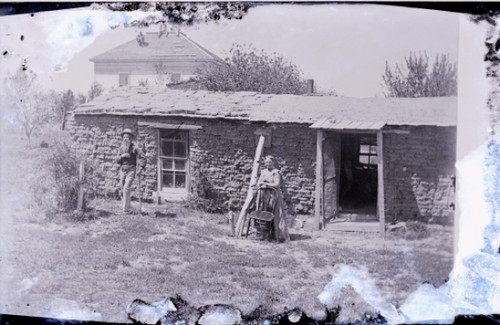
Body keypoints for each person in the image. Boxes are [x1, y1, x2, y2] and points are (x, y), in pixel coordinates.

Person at [256, 155, 290, 241]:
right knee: (264, 212)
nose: (268, 164)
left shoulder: (276, 172)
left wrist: (266, 184)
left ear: (273, 163)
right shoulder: (263, 171)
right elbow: (259, 181)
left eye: (270, 162)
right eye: (267, 162)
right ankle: (263, 233)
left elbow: (276, 184)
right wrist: (261, 183)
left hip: (273, 196)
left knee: (275, 213)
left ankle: (276, 234)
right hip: (264, 195)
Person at [116, 128, 146, 213]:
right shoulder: (121, 148)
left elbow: (142, 157)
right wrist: (122, 156)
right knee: (122, 189)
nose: (126, 139)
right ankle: (127, 206)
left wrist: (140, 168)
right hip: (122, 170)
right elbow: (117, 160)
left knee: (126, 188)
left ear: (131, 138)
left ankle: (126, 210)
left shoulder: (134, 148)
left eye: (128, 137)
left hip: (131, 170)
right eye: (124, 137)